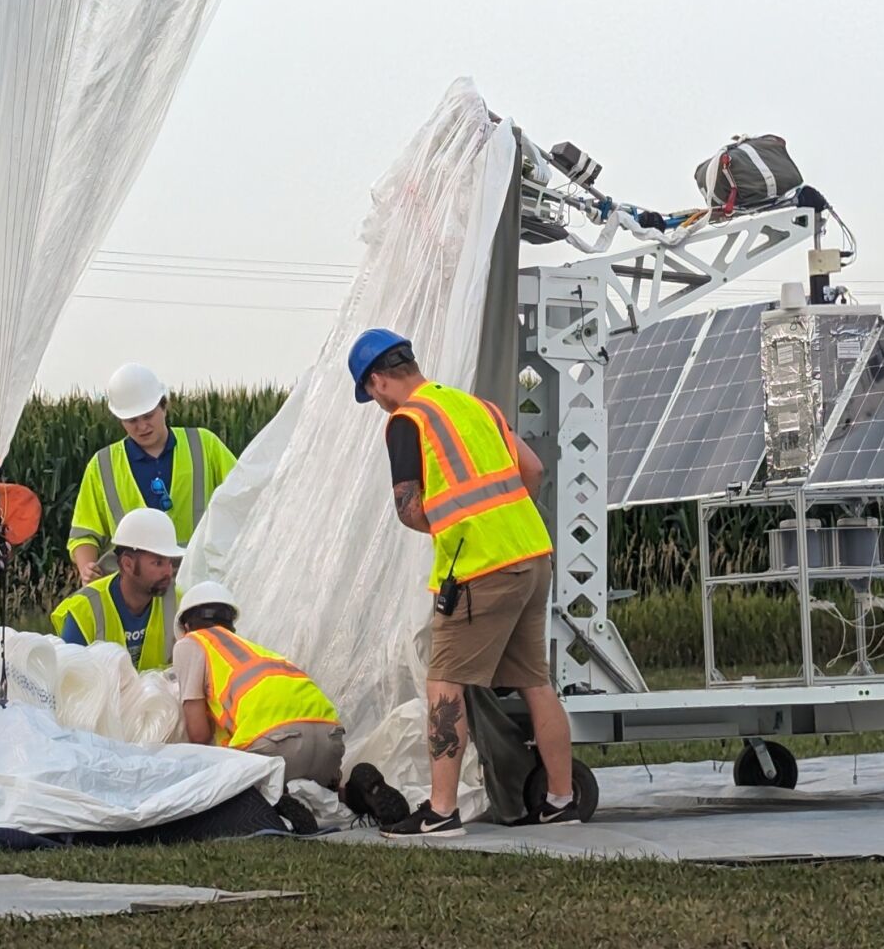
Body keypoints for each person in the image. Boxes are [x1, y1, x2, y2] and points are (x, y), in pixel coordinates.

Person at [348, 327, 581, 838]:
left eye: (370, 395)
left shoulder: (407, 421)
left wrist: (458, 524)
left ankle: (442, 811)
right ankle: (562, 799)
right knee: (535, 681)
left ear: (378, 381)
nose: (377, 405)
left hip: (477, 568)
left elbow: (409, 508)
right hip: (531, 554)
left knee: (444, 683)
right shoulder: (478, 406)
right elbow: (533, 470)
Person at [171, 581, 409, 831]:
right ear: (231, 621)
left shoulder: (190, 644)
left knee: (229, 787)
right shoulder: (254, 651)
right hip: (329, 742)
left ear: (186, 625)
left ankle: (275, 802)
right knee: (319, 786)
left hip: (276, 745)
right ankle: (354, 794)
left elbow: (198, 734)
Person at [67, 362, 238, 586]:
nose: (142, 426)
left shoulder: (205, 445)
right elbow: (84, 532)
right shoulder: (103, 465)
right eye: (132, 420)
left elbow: (243, 496)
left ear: (163, 407)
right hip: (132, 595)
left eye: (148, 416)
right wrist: (86, 568)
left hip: (197, 581)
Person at [51, 509, 182, 672]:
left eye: (170, 562)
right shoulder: (85, 609)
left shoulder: (179, 603)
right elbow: (69, 681)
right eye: (158, 563)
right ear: (127, 564)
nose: (168, 572)